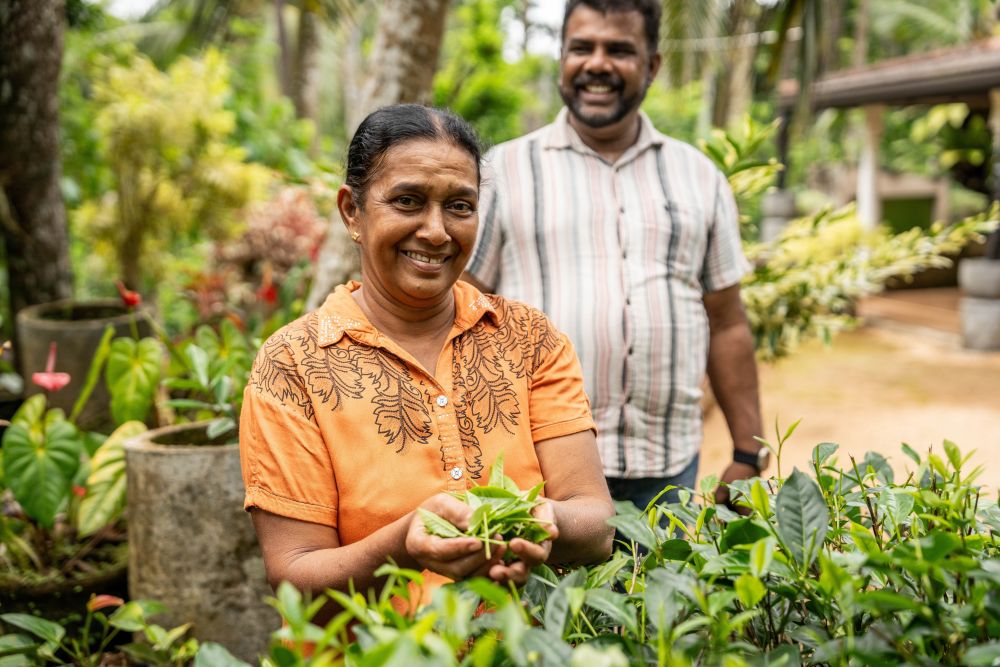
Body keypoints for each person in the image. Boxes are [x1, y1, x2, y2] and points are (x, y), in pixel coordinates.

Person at [239, 104, 615, 614]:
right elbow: (294, 581)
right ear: (352, 210)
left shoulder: (529, 340)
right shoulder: (293, 366)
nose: (436, 231)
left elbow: (596, 527)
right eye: (408, 201)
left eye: (460, 206)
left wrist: (534, 522)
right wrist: (403, 546)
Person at [463, 0, 767, 513]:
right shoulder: (503, 172)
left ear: (652, 66)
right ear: (561, 57)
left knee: (662, 592)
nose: (597, 63)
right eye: (582, 47)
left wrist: (748, 450)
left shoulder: (699, 177)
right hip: (535, 467)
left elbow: (727, 322)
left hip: (668, 470)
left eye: (619, 50)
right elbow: (460, 309)